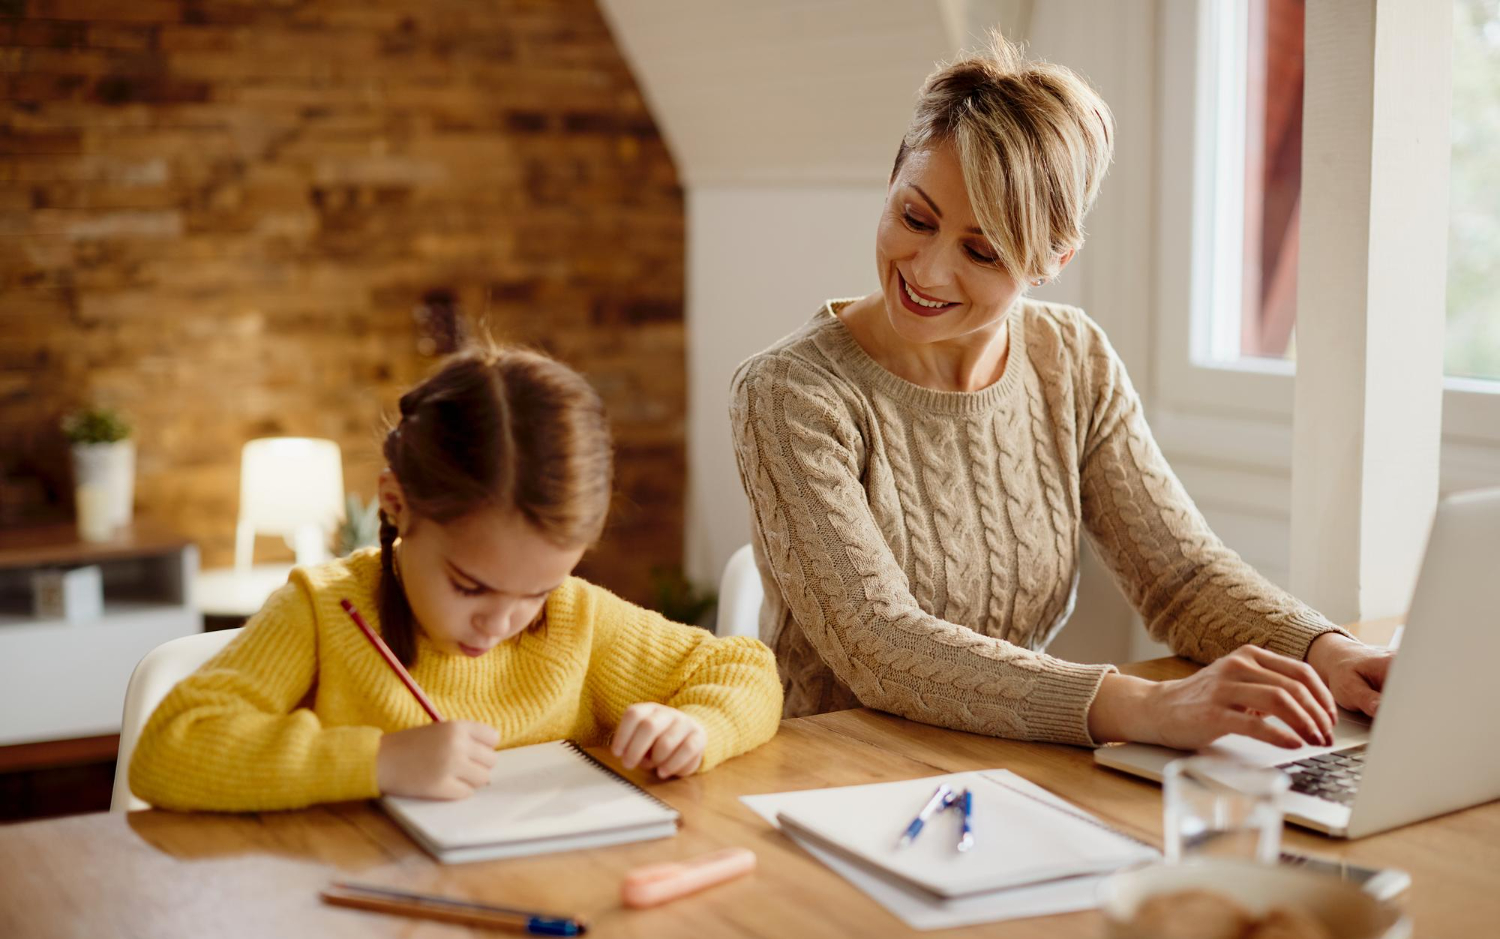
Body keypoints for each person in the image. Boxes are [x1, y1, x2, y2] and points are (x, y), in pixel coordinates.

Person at [729, 34, 1390, 751]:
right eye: (915, 218)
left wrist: (1324, 651)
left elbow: (1181, 577)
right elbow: (877, 643)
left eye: (982, 251)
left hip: (1010, 760)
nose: (928, 270)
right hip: (837, 772)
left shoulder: (1071, 361)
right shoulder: (791, 392)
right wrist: (1143, 705)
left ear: (1052, 260)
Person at [132, 345, 782, 811]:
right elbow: (170, 748)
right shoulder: (322, 612)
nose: (503, 622)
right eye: (471, 587)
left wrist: (698, 728)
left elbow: (747, 671)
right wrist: (379, 762)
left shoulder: (578, 620)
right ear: (396, 503)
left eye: (537, 591)